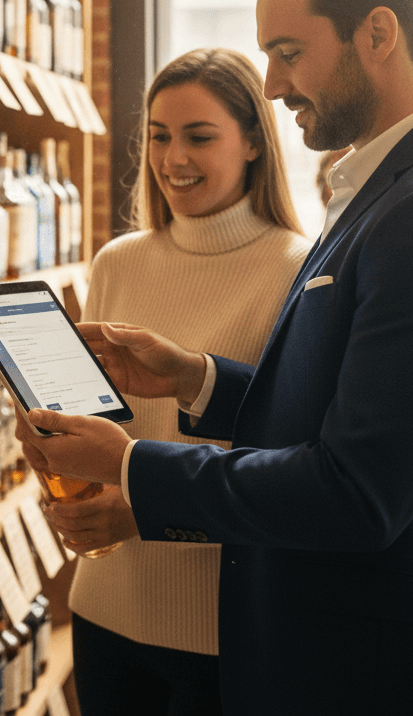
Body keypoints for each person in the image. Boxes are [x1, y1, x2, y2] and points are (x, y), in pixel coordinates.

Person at [19, 0, 413, 715]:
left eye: (289, 52)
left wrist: (129, 465)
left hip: (388, 671)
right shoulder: (396, 189)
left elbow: (355, 490)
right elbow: (339, 407)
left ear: (378, 33)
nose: (269, 83)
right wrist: (193, 377)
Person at [54, 48, 310, 716]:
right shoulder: (117, 261)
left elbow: (286, 464)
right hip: (102, 605)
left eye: (199, 137)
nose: (173, 160)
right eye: (160, 136)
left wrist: (143, 510)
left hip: (220, 629)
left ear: (254, 141)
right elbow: (97, 423)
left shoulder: (297, 270)